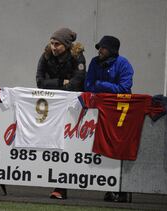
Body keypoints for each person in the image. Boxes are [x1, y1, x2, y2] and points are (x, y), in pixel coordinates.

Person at [36, 27, 86, 199]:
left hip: (73, 108)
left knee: (70, 147)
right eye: (52, 43)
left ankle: (62, 186)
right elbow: (39, 82)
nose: (53, 47)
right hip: (52, 107)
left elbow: (77, 84)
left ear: (66, 44)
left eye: (57, 44)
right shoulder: (46, 55)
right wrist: (61, 82)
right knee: (54, 145)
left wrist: (62, 85)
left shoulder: (77, 56)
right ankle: (57, 185)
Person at [84, 35, 133, 202]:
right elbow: (88, 85)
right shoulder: (93, 62)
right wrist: (103, 87)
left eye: (103, 48)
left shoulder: (124, 64)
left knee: (117, 149)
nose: (99, 51)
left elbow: (124, 89)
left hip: (119, 113)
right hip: (98, 111)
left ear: (112, 50)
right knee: (99, 149)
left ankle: (121, 190)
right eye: (99, 47)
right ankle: (107, 188)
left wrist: (101, 85)